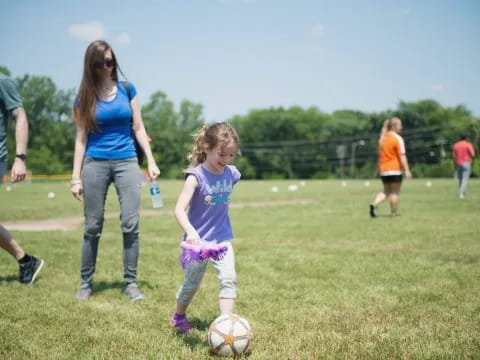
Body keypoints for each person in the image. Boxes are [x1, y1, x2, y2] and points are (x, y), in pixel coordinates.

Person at [70, 40, 160, 301]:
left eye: (111, 61)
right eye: (101, 63)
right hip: (94, 163)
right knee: (92, 226)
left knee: (131, 224)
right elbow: (81, 139)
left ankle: (131, 283)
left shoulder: (127, 89)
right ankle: (85, 283)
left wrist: (151, 161)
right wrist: (75, 177)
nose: (107, 67)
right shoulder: (83, 98)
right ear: (91, 66)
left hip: (127, 161)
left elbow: (139, 128)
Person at [171, 122, 241, 333]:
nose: (227, 160)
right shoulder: (196, 177)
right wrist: (192, 233)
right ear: (206, 147)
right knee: (191, 284)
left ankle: (226, 326)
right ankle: (179, 316)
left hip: (221, 240)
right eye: (222, 155)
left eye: (231, 155)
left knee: (229, 279)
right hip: (197, 245)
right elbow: (179, 210)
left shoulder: (232, 174)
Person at [0, 73, 44, 283]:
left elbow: (21, 117)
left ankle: (26, 260)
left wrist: (20, 158)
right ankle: (26, 261)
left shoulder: (3, 82)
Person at [370, 117, 412, 217]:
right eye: (400, 125)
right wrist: (406, 170)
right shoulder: (397, 138)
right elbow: (402, 155)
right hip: (395, 169)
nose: (401, 127)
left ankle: (374, 204)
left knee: (386, 191)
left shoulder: (382, 139)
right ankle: (393, 213)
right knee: (394, 192)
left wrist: (377, 170)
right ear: (394, 126)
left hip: (384, 170)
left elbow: (380, 157)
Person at [452, 133, 475, 199]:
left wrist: (454, 165)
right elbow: (473, 154)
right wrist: (472, 163)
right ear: (466, 138)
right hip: (466, 163)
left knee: (460, 179)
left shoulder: (456, 145)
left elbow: (454, 157)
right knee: (465, 179)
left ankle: (462, 192)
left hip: (458, 163)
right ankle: (461, 193)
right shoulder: (468, 144)